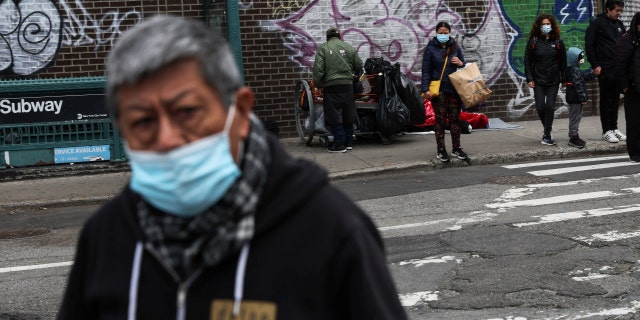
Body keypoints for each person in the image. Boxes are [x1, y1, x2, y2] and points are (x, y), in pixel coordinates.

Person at [57, 15, 407, 319]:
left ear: (239, 112)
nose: (166, 139)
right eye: (142, 122)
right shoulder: (107, 237)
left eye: (187, 112)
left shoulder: (331, 232)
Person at [421, 21, 467, 162]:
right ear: (436, 33)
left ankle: (456, 148)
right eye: (440, 33)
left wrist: (460, 63)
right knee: (440, 121)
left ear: (449, 33)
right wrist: (425, 89)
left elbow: (463, 65)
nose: (443, 35)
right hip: (439, 91)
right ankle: (441, 149)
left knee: (455, 119)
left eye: (445, 33)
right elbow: (426, 70)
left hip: (454, 89)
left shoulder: (455, 47)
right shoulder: (430, 49)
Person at [313, 27, 363, 153]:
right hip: (347, 85)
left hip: (331, 85)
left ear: (327, 37)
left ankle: (339, 144)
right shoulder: (348, 47)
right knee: (348, 113)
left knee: (334, 114)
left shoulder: (323, 48)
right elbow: (359, 65)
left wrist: (318, 84)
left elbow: (319, 69)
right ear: (339, 36)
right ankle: (349, 142)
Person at [585, 0, 626, 143]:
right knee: (606, 99)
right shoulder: (598, 23)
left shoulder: (619, 25)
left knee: (615, 99)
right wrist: (595, 65)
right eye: (617, 11)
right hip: (604, 68)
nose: (619, 13)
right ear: (608, 9)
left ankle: (614, 127)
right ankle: (606, 130)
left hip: (618, 68)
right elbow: (589, 45)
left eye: (621, 11)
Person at [524, 14, 567, 146]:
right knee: (540, 107)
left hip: (553, 80)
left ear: (552, 26)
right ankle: (548, 128)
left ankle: (547, 134)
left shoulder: (558, 42)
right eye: (543, 24)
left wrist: (564, 79)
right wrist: (529, 78)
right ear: (539, 26)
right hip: (538, 80)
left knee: (550, 107)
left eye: (548, 24)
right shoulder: (533, 42)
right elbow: (527, 61)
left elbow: (563, 63)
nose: (546, 26)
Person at [612, 12, 640, 162]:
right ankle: (635, 153)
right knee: (634, 121)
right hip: (633, 88)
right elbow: (620, 64)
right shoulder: (628, 40)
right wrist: (625, 87)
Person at [565, 47, 596, 149]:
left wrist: (593, 75)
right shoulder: (574, 70)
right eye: (580, 58)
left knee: (576, 117)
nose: (582, 60)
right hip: (575, 99)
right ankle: (573, 137)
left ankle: (575, 135)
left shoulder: (574, 69)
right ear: (574, 58)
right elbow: (578, 85)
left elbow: (582, 78)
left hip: (574, 98)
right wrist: (583, 98)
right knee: (575, 117)